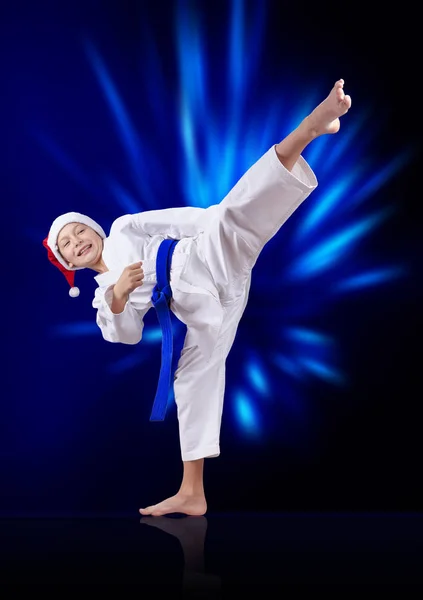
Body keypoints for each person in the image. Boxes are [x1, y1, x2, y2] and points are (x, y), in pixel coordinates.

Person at [44, 79, 351, 516]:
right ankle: (192, 492)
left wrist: (213, 222)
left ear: (94, 228)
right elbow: (125, 335)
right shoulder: (103, 297)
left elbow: (179, 219)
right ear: (70, 265)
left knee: (235, 212)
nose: (77, 241)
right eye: (68, 246)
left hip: (202, 260)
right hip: (198, 308)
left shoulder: (125, 229)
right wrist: (118, 295)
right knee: (191, 377)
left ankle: (310, 127)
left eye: (79, 231)